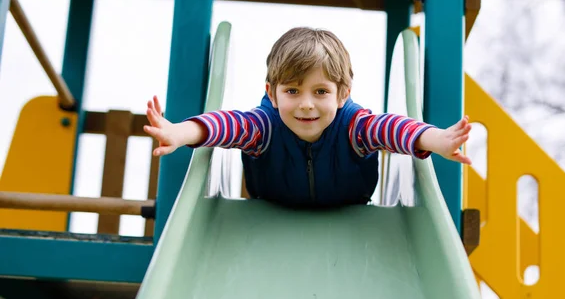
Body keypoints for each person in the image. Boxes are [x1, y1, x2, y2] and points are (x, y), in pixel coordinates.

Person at [144, 27, 471, 207]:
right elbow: (224, 125)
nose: (306, 105)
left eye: (320, 92)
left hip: (350, 215)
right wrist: (181, 133)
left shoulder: (354, 128)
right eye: (292, 91)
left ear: (342, 94)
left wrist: (435, 140)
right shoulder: (263, 128)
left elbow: (393, 129)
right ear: (272, 93)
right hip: (271, 214)